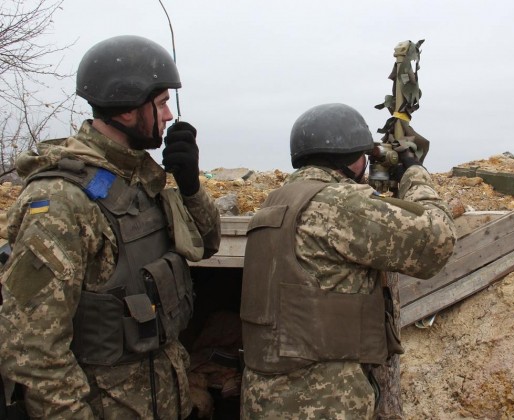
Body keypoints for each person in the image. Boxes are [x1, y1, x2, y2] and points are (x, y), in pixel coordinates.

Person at [0, 35, 221, 418]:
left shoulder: (139, 183)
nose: (169, 115)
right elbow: (33, 351)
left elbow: (207, 243)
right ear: (128, 110)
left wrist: (190, 187)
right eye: (161, 103)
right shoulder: (61, 200)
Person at [239, 102, 457, 419]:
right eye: (364, 156)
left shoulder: (274, 204)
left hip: (264, 399)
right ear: (351, 159)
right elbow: (438, 240)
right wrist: (414, 173)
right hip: (324, 402)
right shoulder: (340, 204)